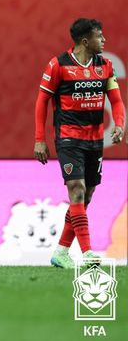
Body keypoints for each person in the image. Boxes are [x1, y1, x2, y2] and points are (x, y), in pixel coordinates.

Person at [34, 18, 125, 268]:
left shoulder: (105, 66)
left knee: (86, 196)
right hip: (68, 138)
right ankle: (87, 252)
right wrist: (40, 139)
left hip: (94, 140)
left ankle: (61, 251)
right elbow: (42, 101)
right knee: (76, 189)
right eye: (99, 36)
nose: (104, 40)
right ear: (85, 41)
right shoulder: (58, 65)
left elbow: (116, 101)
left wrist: (119, 124)